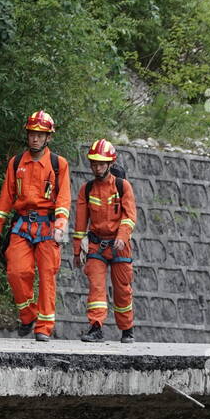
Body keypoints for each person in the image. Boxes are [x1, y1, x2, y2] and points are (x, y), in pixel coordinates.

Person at [0, 110, 71, 341]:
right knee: (16, 271)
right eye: (31, 134)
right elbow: (6, 196)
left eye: (40, 134)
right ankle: (28, 314)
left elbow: (64, 197)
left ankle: (44, 327)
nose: (34, 138)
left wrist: (60, 225)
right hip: (22, 225)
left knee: (47, 276)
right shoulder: (16, 163)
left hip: (48, 226)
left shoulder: (58, 164)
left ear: (48, 138)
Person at [74, 139, 138, 342]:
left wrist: (122, 237)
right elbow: (80, 223)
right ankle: (96, 327)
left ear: (110, 164)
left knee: (122, 291)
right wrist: (77, 251)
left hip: (120, 246)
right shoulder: (86, 189)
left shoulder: (122, 186)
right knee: (96, 287)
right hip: (96, 245)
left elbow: (129, 217)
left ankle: (127, 329)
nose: (97, 167)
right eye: (94, 163)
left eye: (102, 163)